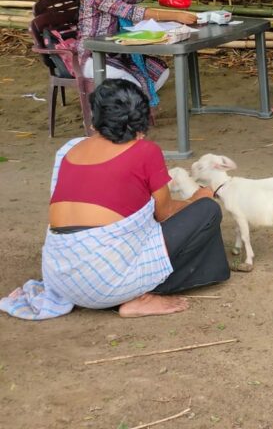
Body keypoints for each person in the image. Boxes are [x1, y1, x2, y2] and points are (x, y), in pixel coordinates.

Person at [0, 79, 230, 320]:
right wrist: (197, 198)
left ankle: (123, 292)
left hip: (60, 278)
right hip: (105, 282)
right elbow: (165, 213)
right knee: (207, 211)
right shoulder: (145, 151)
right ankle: (138, 295)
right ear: (142, 118)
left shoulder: (69, 148)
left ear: (95, 116)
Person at [77, 0, 197, 103]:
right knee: (134, 83)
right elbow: (130, 12)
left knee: (161, 72)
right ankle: (123, 113)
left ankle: (131, 105)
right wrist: (177, 15)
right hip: (94, 56)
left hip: (114, 51)